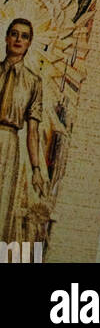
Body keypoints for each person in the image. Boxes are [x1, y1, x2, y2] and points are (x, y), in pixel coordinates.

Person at [0, 18, 44, 241]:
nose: (18, 40)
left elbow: (33, 131)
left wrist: (36, 168)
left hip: (9, 145)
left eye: (24, 36)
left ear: (29, 43)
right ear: (7, 37)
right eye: (15, 34)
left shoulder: (33, 82)